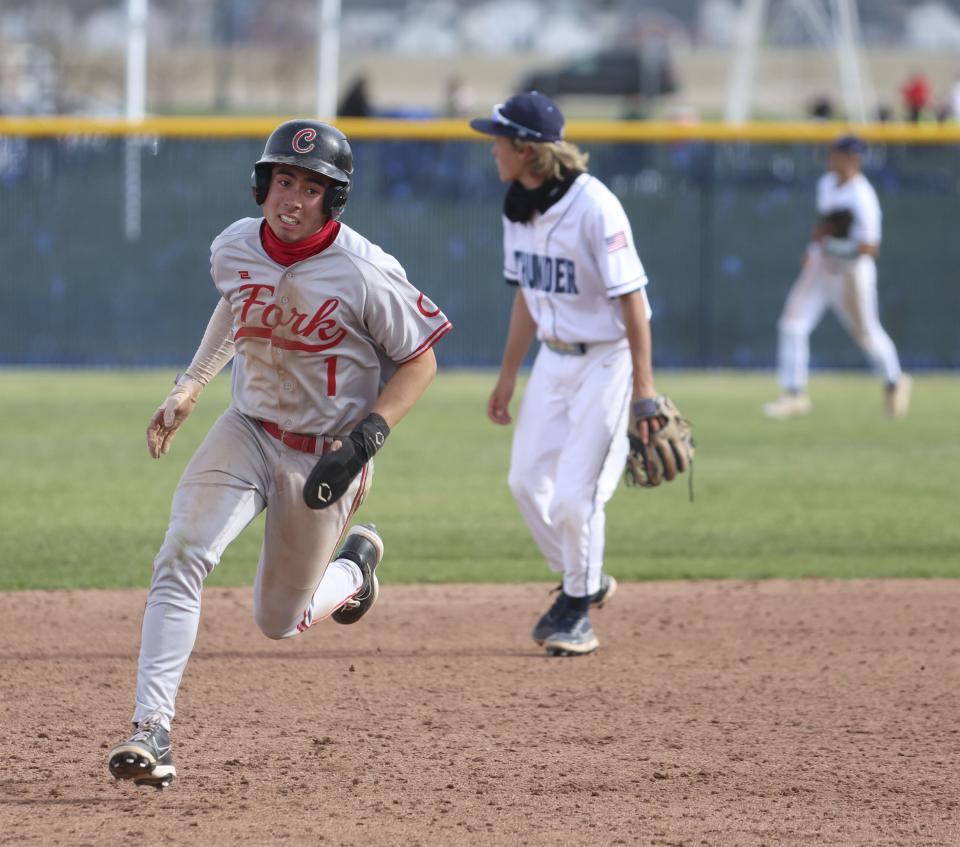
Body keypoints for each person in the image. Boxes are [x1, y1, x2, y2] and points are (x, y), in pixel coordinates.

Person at [106, 119, 452, 788]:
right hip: (248, 427)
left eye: (312, 186)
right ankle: (152, 727)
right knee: (181, 552)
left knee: (278, 620)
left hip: (325, 456)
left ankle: (353, 574)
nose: (292, 197)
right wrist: (191, 385)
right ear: (263, 182)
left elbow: (420, 360)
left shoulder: (365, 271)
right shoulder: (236, 244)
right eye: (283, 180)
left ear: (333, 199)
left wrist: (366, 439)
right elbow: (238, 306)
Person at [469, 92, 663, 657]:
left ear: (527, 150)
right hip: (552, 361)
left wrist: (644, 391)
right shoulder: (517, 205)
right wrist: (508, 376)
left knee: (575, 501)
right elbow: (528, 296)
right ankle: (587, 578)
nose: (493, 151)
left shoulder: (594, 206)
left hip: (608, 358)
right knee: (527, 483)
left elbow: (633, 301)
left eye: (500, 142)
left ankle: (577, 612)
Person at [763, 134, 910, 420]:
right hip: (822, 267)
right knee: (792, 324)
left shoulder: (863, 196)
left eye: (837, 154)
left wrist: (830, 245)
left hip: (852, 272)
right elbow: (825, 227)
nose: (830, 158)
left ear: (852, 159)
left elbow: (870, 247)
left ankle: (894, 381)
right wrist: (815, 247)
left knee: (866, 333)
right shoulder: (827, 184)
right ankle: (794, 394)